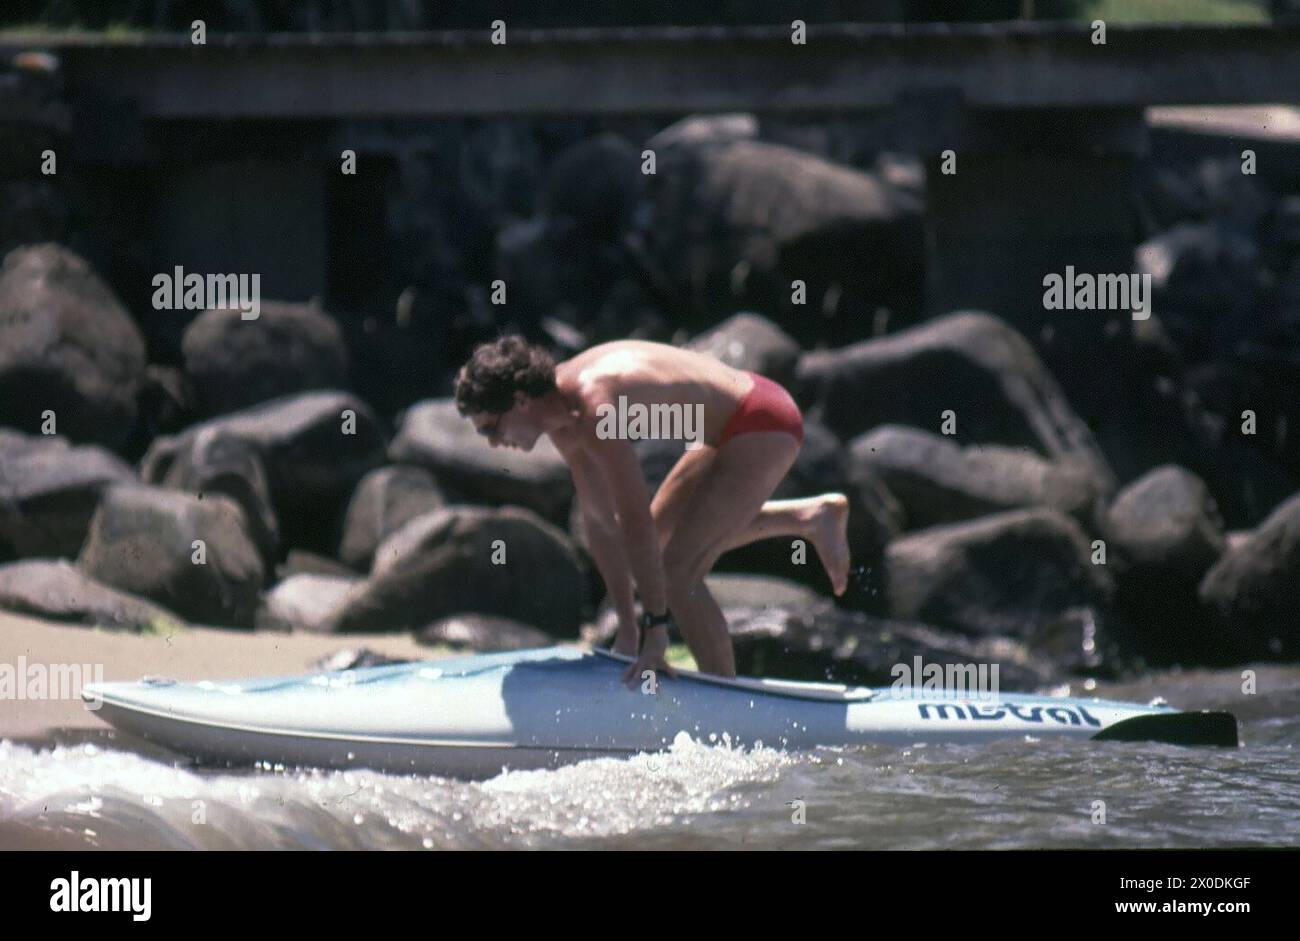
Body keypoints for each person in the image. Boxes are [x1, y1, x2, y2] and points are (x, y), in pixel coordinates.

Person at [453, 336, 850, 684]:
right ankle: (809, 518)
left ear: (521, 401)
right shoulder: (561, 419)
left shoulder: (593, 405)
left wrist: (655, 630)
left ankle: (724, 700)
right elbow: (600, 522)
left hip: (762, 420)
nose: (492, 443)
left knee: (678, 573)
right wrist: (627, 630)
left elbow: (633, 518)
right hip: (720, 429)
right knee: (660, 545)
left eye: (492, 428)